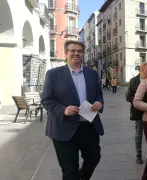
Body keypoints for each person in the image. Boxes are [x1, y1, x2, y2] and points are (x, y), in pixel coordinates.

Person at [41, 40, 104, 180]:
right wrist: (63, 109)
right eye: (73, 51)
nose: (76, 53)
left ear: (83, 54)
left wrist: (99, 103)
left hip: (88, 127)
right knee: (69, 171)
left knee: (94, 158)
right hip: (63, 128)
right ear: (66, 53)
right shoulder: (53, 74)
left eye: (80, 51)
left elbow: (99, 95)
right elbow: (46, 100)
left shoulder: (92, 73)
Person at [125, 62, 147, 164]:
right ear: (142, 70)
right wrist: (138, 100)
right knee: (139, 134)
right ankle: (138, 154)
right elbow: (127, 97)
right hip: (139, 112)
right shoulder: (133, 81)